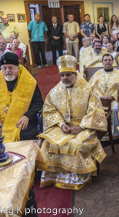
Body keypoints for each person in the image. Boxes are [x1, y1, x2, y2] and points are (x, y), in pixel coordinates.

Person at [39, 55, 107, 190]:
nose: (65, 78)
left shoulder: (87, 89)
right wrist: (60, 124)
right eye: (62, 75)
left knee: (77, 144)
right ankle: (55, 176)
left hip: (85, 127)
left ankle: (77, 177)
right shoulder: (55, 91)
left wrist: (81, 126)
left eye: (68, 75)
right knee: (47, 143)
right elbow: (49, 110)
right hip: (63, 128)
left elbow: (95, 110)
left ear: (75, 74)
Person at [0, 53, 43, 142]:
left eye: (10, 68)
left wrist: (27, 116)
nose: (7, 71)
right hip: (0, 124)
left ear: (17, 68)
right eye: (4, 68)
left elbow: (39, 103)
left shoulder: (30, 83)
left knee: (25, 135)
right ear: (1, 69)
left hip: (21, 124)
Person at [89, 54, 119, 140]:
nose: (108, 62)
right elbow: (91, 88)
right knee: (94, 109)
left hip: (114, 100)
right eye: (106, 60)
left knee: (115, 109)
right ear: (102, 62)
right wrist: (100, 97)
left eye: (109, 60)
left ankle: (115, 135)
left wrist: (113, 96)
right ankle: (99, 134)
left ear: (113, 61)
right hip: (99, 100)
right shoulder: (97, 74)